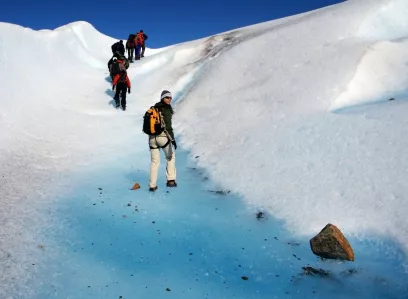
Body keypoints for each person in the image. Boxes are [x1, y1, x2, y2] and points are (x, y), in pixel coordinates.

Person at [148, 90, 177, 192]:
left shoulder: (154, 108)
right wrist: (172, 140)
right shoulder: (166, 109)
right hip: (162, 137)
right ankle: (170, 180)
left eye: (170, 98)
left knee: (154, 162)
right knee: (171, 157)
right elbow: (168, 127)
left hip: (152, 138)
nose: (169, 100)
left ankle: (152, 185)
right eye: (167, 97)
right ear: (162, 98)